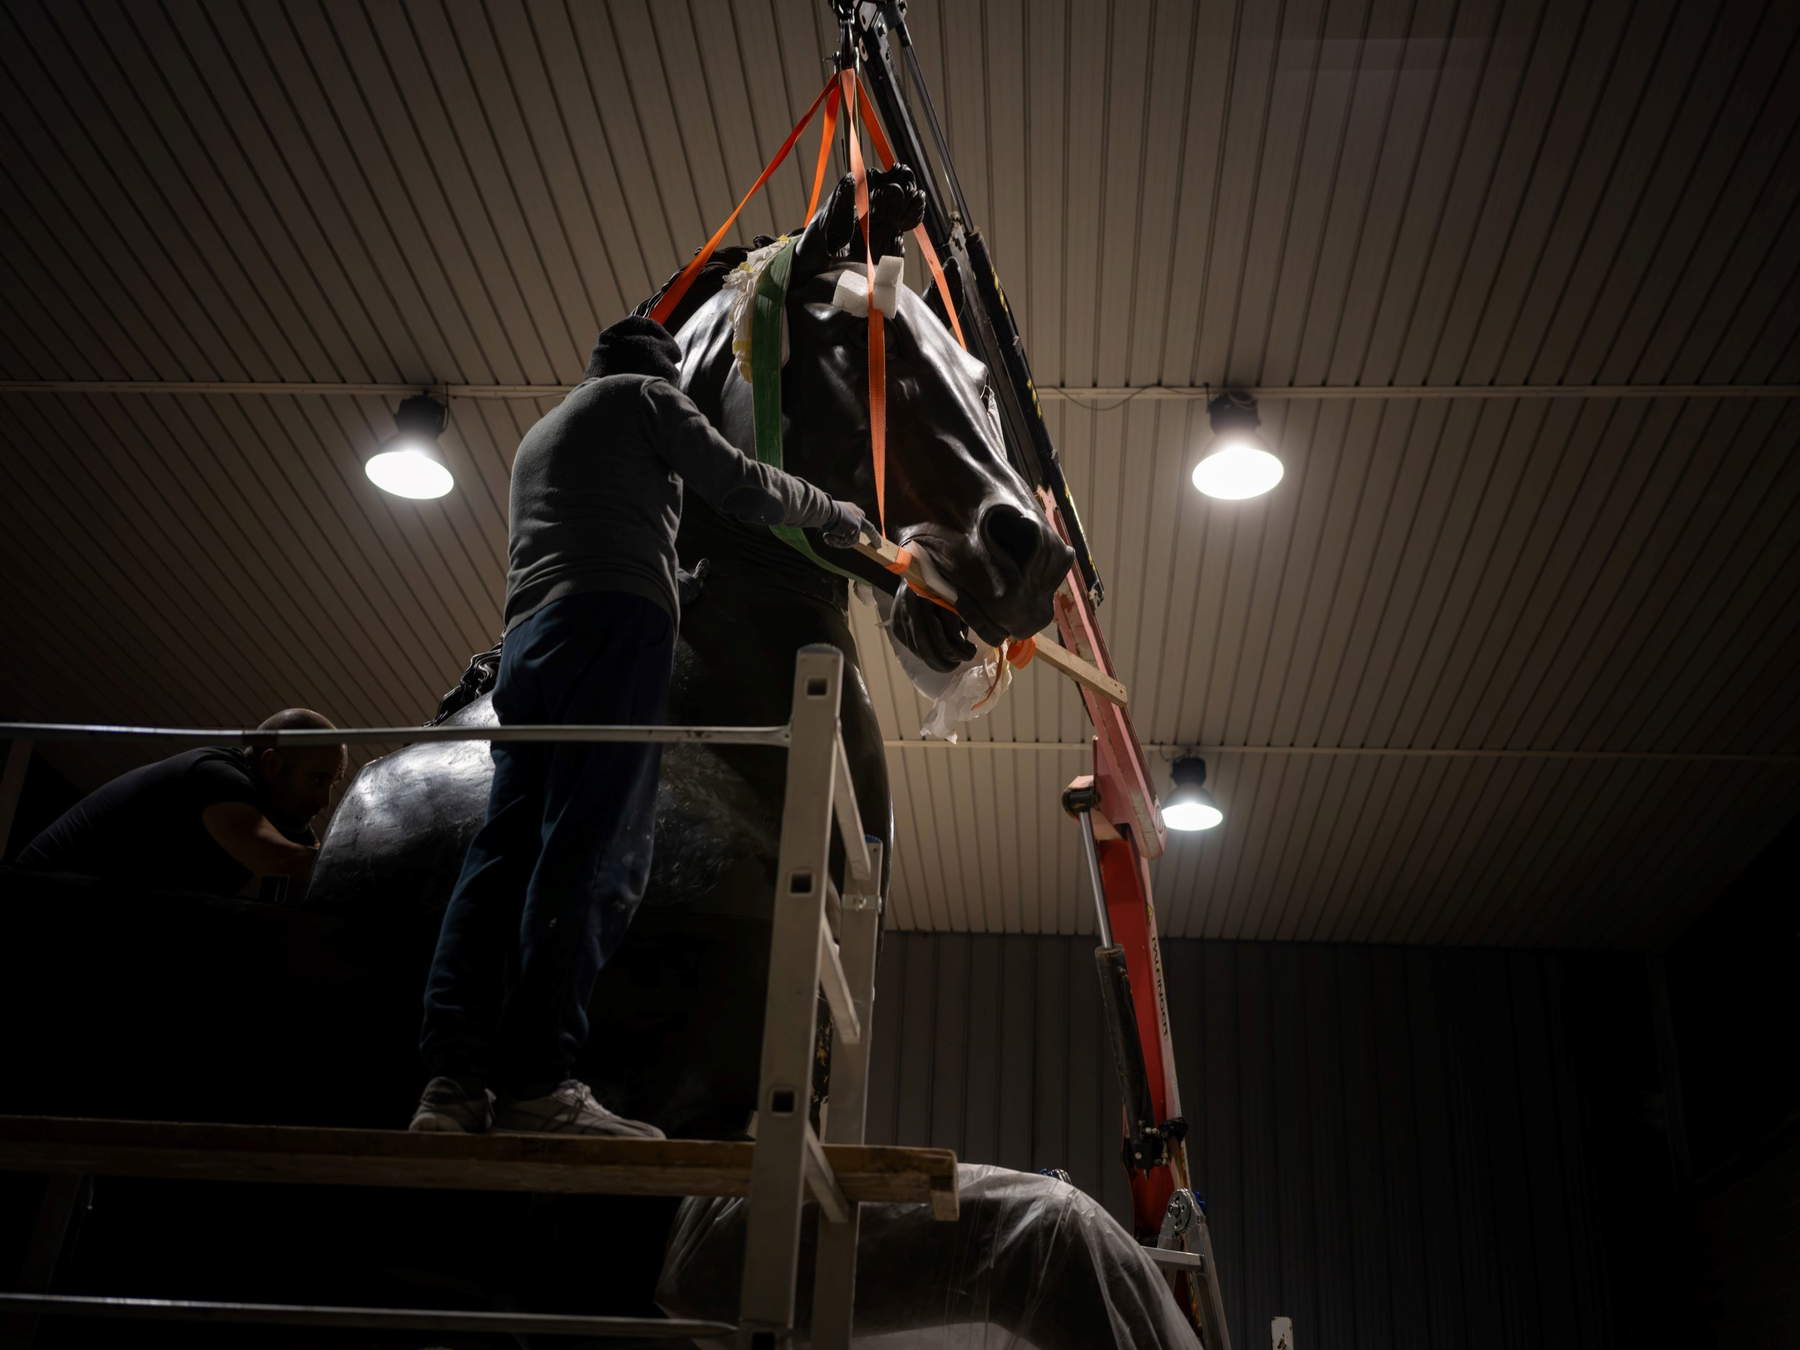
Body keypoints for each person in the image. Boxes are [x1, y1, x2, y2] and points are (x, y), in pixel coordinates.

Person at [412, 316, 865, 1138]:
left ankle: (451, 1085)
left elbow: (592, 537)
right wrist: (832, 511)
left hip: (528, 644)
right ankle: (538, 1082)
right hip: (613, 630)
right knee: (598, 844)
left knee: (503, 853)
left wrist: (674, 578)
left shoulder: (543, 434)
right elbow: (739, 488)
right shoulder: (649, 396)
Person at [16, 708, 347, 899]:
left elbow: (315, 877)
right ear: (272, 764)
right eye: (317, 780)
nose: (325, 801)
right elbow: (280, 860)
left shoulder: (284, 820)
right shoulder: (215, 775)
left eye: (332, 784)